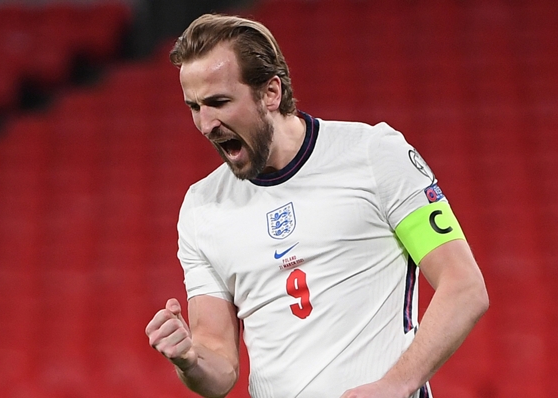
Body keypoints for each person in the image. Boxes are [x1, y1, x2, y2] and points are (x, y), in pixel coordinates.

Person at [145, 13, 488, 398]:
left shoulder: (374, 155)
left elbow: (464, 286)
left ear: (271, 93)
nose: (206, 124)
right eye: (194, 107)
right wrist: (190, 359)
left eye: (219, 102)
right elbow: (220, 368)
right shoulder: (201, 208)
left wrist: (395, 386)